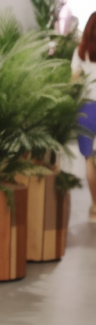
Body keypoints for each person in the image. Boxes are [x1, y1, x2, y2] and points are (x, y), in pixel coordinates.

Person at [72, 11, 96, 221]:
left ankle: (95, 207)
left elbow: (74, 82)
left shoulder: (80, 51)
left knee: (89, 159)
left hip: (86, 109)